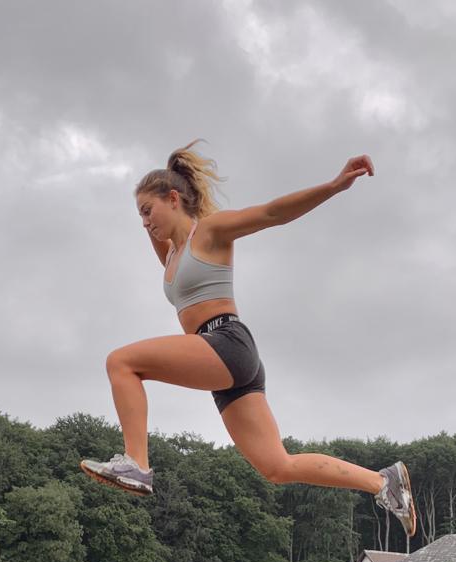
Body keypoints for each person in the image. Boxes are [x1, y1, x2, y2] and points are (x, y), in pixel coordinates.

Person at [80, 139, 416, 538]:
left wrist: (334, 185)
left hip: (224, 342)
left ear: (173, 198)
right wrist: (153, 200)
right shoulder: (170, 253)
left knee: (121, 362)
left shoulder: (211, 231)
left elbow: (272, 213)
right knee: (277, 466)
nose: (144, 222)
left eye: (147, 211)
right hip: (227, 362)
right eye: (139, 215)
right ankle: (383, 483)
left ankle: (137, 462)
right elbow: (159, 224)